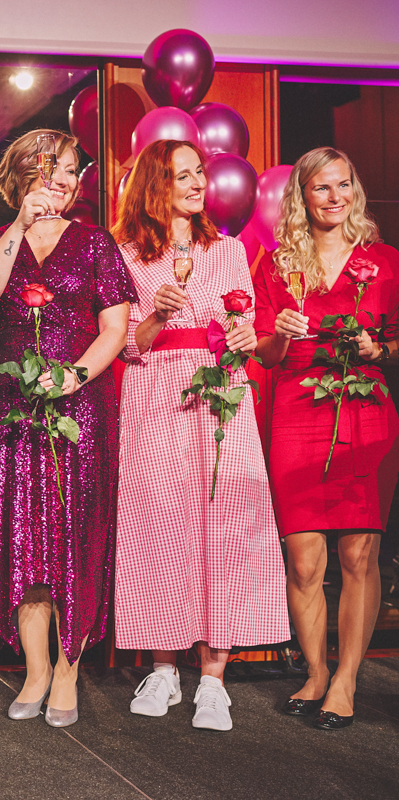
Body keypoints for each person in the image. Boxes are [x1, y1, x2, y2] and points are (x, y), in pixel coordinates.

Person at [112, 139, 289, 731]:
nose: (196, 184)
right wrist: (157, 315)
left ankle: (214, 679)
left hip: (219, 392)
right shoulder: (126, 254)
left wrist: (243, 336)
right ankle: (163, 668)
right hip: (156, 391)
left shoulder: (229, 250)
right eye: (182, 175)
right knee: (159, 521)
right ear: (153, 185)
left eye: (199, 174)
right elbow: (126, 345)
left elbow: (244, 326)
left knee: (224, 524)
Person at [0, 129, 135, 728]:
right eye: (50, 168)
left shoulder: (94, 242)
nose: (62, 180)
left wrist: (76, 375)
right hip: (8, 402)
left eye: (70, 170)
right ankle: (35, 670)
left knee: (72, 534)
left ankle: (68, 670)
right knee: (21, 536)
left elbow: (115, 328)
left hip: (78, 405)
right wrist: (20, 224)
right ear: (20, 175)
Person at [253, 146, 399, 730]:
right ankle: (315, 671)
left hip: (365, 408)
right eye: (322, 187)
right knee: (304, 556)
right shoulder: (276, 264)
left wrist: (378, 349)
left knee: (359, 553)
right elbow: (264, 353)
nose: (335, 197)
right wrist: (281, 334)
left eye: (344, 184)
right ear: (302, 196)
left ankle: (346, 679)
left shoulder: (385, 260)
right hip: (297, 410)